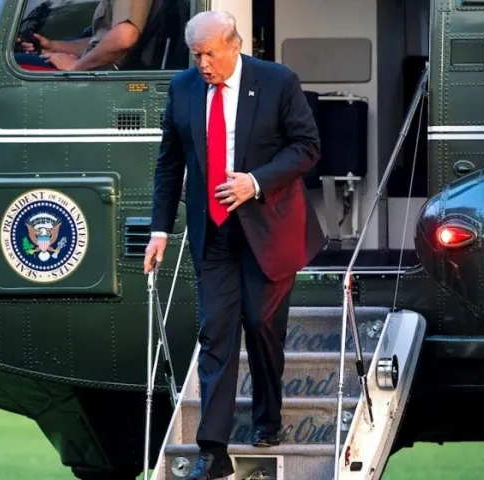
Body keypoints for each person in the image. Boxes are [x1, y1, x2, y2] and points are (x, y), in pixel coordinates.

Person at [143, 10, 325, 480]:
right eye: (196, 55)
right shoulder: (183, 88)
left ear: (234, 44)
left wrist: (255, 182)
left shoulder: (277, 81)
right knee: (216, 333)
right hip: (214, 232)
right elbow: (169, 163)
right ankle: (213, 450)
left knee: (261, 324)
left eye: (209, 54)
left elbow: (307, 147)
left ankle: (267, 416)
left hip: (270, 227)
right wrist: (160, 231)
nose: (202, 64)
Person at [16, 0, 153, 71]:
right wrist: (52, 46)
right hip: (99, 69)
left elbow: (123, 38)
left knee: (16, 62)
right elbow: (101, 43)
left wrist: (76, 67)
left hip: (105, 74)